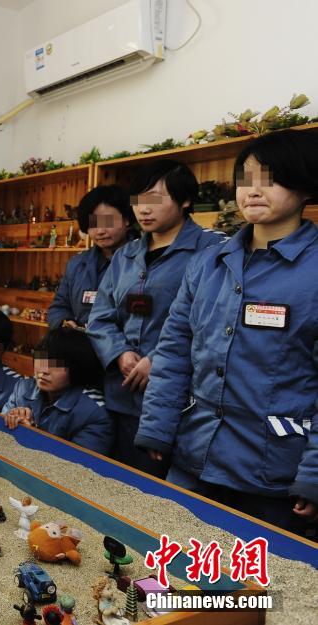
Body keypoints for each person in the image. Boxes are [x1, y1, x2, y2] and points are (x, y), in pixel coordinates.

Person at [135, 130, 318, 535]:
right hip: (193, 458)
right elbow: (173, 352)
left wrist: (315, 475)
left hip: (273, 477)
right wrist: (158, 429)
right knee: (171, 574)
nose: (252, 191)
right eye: (245, 179)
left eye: (268, 179)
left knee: (249, 593)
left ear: (304, 185)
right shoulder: (207, 264)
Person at [86, 159, 225, 476]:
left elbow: (215, 326)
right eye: (138, 201)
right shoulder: (126, 254)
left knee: (162, 497)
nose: (143, 210)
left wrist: (157, 360)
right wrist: (118, 352)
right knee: (118, 484)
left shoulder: (210, 251)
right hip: (121, 394)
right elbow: (101, 317)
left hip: (179, 400)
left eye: (155, 200)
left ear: (185, 200)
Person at [2, 328, 113, 455]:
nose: (44, 371)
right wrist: (12, 419)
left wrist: (31, 434)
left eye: (56, 365)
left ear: (78, 367)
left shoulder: (95, 412)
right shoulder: (24, 387)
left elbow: (78, 466)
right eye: (42, 360)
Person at [48, 185, 136, 330]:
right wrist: (64, 323)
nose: (100, 231)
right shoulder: (77, 263)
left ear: (126, 219)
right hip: (80, 347)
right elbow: (59, 306)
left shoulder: (144, 261)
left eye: (107, 221)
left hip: (124, 351)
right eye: (93, 224)